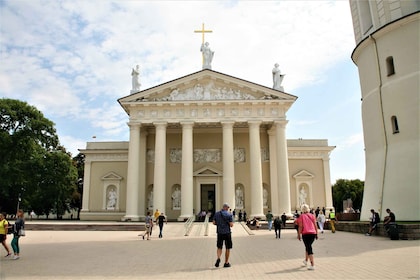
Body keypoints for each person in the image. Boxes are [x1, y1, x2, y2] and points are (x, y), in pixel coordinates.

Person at [212, 203, 233, 268]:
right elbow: (231, 225)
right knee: (227, 247)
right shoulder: (229, 214)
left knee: (219, 247)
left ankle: (218, 258)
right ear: (227, 208)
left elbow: (213, 222)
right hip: (227, 233)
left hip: (219, 233)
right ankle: (226, 263)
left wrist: (219, 224)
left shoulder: (217, 214)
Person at [297, 204, 318, 270]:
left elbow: (300, 226)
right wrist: (317, 233)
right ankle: (306, 261)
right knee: (308, 246)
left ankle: (312, 264)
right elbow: (315, 225)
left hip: (306, 234)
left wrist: (298, 235)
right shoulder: (312, 215)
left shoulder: (301, 216)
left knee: (309, 248)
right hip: (313, 233)